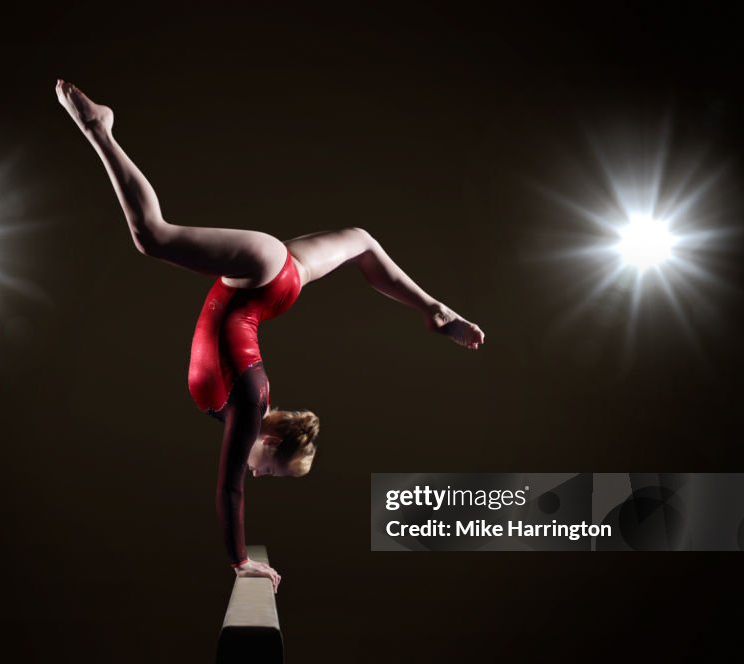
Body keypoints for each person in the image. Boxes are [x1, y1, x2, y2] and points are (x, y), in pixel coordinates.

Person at [56, 80, 484, 593]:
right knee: (152, 235)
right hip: (262, 275)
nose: (262, 476)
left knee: (362, 243)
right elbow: (229, 489)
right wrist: (240, 562)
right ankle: (99, 128)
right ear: (272, 441)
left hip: (279, 283)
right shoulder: (250, 405)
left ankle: (433, 308)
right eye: (274, 470)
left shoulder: (251, 406)